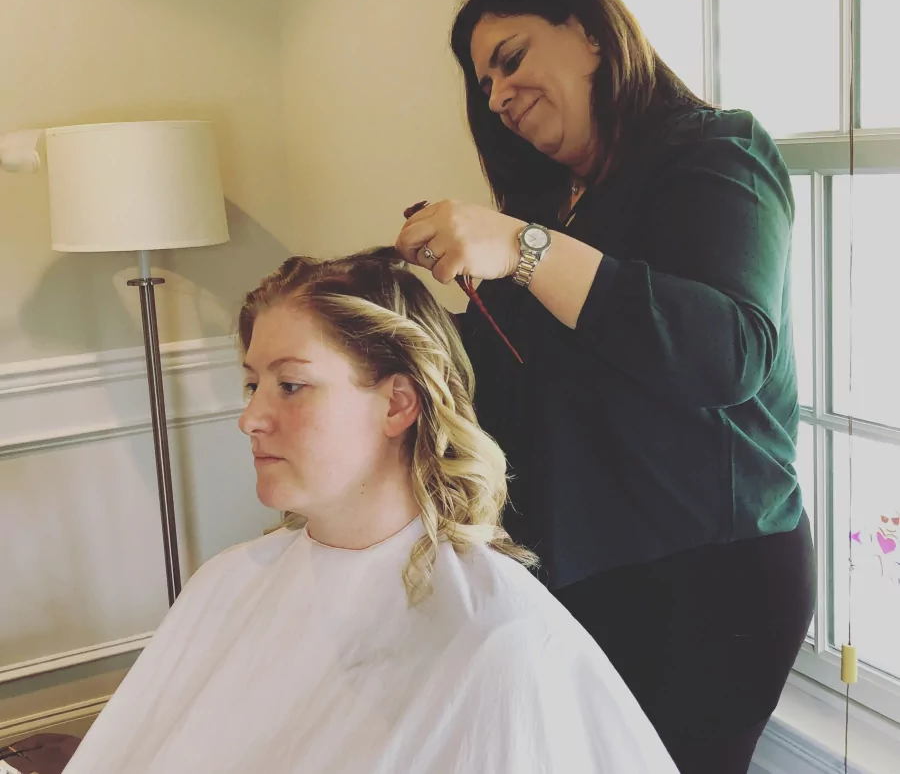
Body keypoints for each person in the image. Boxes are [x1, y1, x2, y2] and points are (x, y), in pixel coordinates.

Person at [395, 0, 816, 774]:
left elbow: (726, 354)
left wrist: (522, 248)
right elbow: (513, 384)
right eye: (484, 84)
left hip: (711, 576)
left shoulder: (723, 153)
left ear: (588, 35)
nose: (498, 96)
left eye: (510, 58)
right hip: (589, 568)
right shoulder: (553, 208)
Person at [63, 249, 678, 774]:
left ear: (397, 404)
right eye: (253, 385)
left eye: (291, 385)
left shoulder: (498, 642)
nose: (250, 418)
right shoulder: (228, 584)